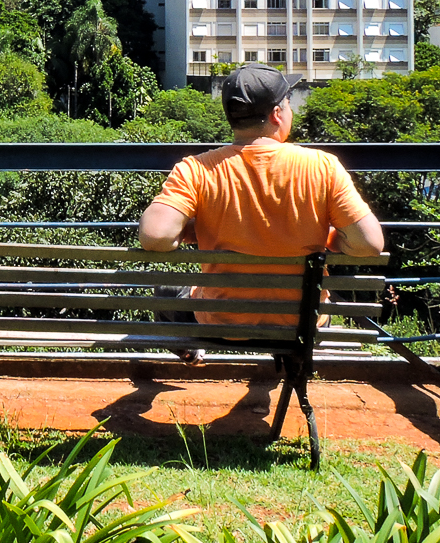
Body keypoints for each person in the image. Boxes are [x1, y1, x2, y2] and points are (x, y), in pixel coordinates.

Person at [136, 63, 385, 361]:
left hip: (221, 325)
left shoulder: (196, 169)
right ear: (277, 114)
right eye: (289, 104)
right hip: (302, 325)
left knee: (165, 293)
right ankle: (287, 363)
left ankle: (191, 346)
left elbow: (156, 237)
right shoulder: (323, 166)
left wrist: (197, 229)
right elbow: (370, 243)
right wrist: (328, 237)